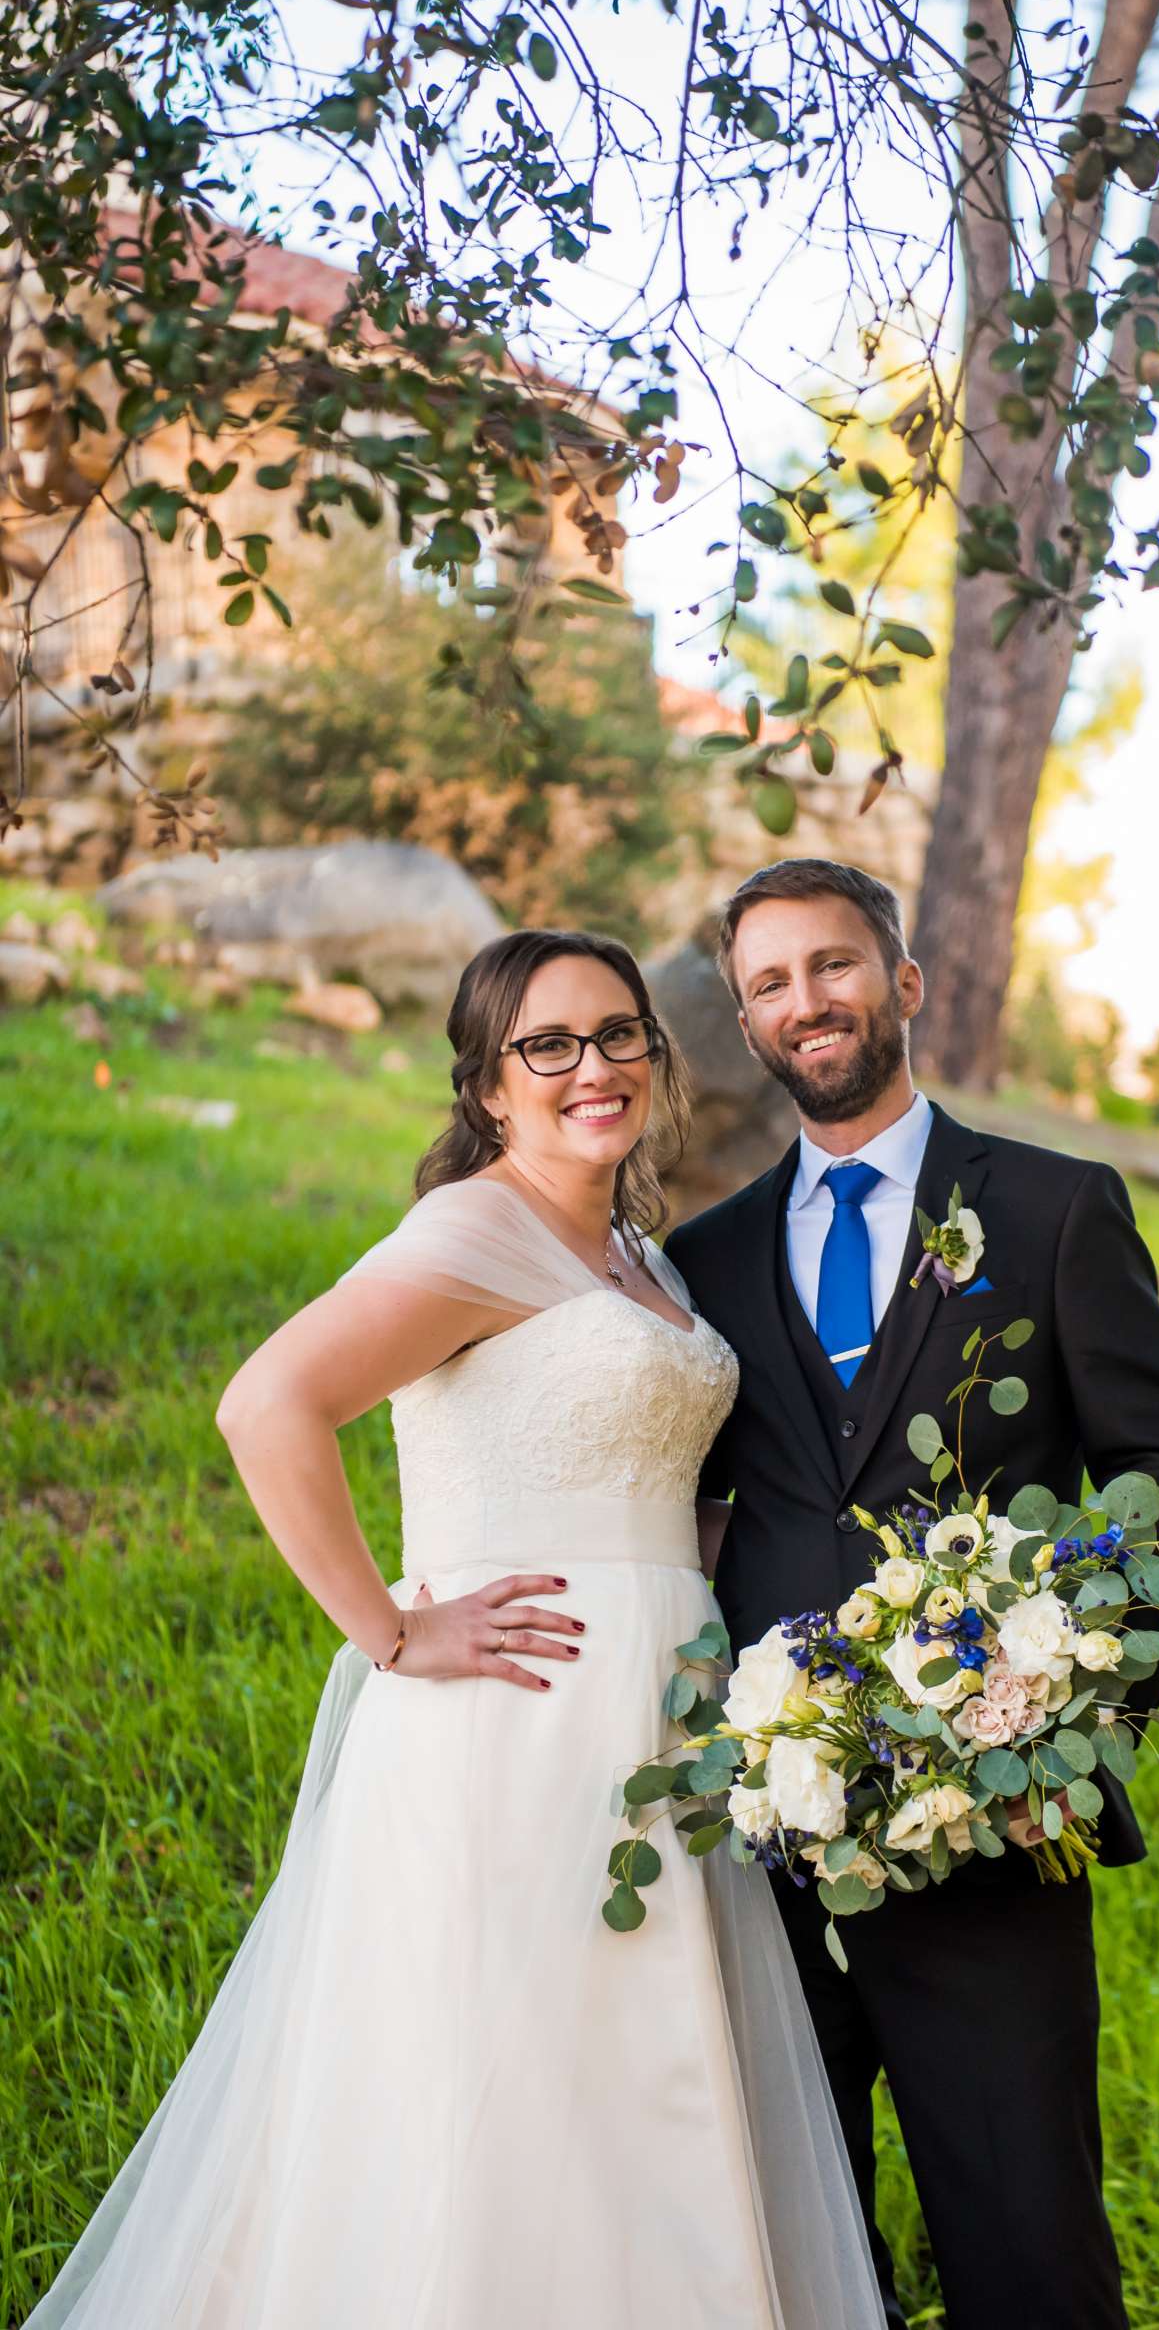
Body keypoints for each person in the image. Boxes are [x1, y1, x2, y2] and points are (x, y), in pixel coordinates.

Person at [25, 926, 882, 2330]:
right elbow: (267, 1405)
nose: (591, 1068)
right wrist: (393, 1633)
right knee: (513, 2081)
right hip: (514, 1722)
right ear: (489, 1084)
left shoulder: (632, 1253)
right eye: (547, 1045)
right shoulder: (475, 1230)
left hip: (663, 1717)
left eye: (618, 1036)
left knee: (637, 2086)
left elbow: (641, 1493)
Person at [665, 858, 1159, 2330]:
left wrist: (1066, 1718)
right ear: (746, 1022)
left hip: (994, 1818)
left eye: (835, 965)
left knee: (1024, 2224)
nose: (809, 1002)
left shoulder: (1050, 1207)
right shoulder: (704, 1261)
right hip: (773, 1834)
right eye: (772, 983)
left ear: (904, 982)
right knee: (795, 2226)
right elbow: (688, 1501)